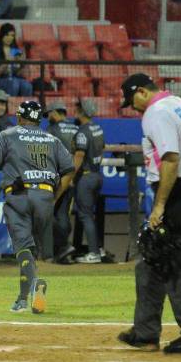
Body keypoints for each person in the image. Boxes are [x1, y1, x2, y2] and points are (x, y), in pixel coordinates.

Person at [117, 73, 181, 356]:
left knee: (180, 267)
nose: (132, 107)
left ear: (141, 92)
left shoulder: (155, 113)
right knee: (150, 261)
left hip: (174, 195)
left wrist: (159, 206)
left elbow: (170, 158)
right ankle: (145, 332)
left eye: (131, 100)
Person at [0, 101, 75, 313]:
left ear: (19, 116)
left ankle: (33, 287)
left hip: (19, 196)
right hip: (45, 197)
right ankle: (22, 299)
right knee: (31, 250)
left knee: (23, 248)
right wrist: (55, 197)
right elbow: (69, 170)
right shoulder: (52, 139)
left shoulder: (7, 135)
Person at [70, 99, 105, 264]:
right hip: (97, 175)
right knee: (90, 214)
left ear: (82, 112)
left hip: (86, 177)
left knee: (85, 215)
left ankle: (94, 253)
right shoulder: (98, 128)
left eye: (77, 110)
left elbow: (79, 155)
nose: (75, 113)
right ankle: (98, 248)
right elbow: (102, 149)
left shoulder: (82, 132)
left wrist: (71, 176)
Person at [44, 101, 79, 263]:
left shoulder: (52, 130)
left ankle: (59, 248)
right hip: (71, 178)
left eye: (49, 114)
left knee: (44, 211)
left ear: (55, 112)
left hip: (54, 177)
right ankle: (64, 251)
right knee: (63, 214)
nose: (48, 118)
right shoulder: (77, 129)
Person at [0, 23, 33, 97]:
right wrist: (6, 63)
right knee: (14, 84)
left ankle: (25, 104)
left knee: (27, 86)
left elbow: (20, 73)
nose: (9, 38)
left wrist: (22, 64)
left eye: (12, 36)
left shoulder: (17, 51)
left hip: (15, 78)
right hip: (0, 79)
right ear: (2, 35)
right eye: (7, 35)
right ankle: (10, 104)